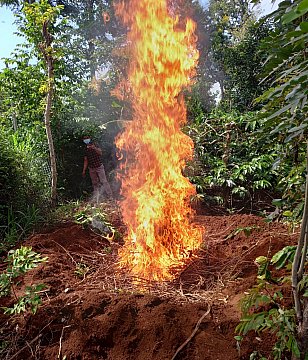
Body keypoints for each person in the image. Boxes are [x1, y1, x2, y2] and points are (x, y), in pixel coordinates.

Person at [82, 136, 113, 200]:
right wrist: (84, 170)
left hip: (99, 167)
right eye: (84, 139)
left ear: (89, 138)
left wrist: (94, 148)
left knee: (104, 181)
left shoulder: (95, 144)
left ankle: (110, 196)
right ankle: (96, 197)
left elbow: (100, 153)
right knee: (94, 183)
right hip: (91, 168)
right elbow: (86, 160)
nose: (86, 140)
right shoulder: (85, 149)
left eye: (87, 138)